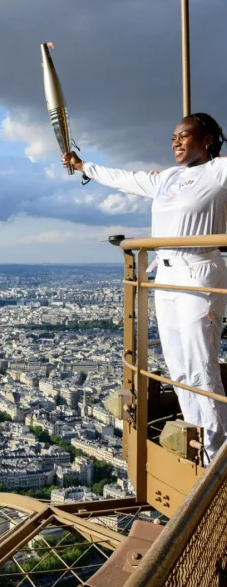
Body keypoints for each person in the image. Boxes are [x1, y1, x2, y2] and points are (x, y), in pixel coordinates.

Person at [62, 112, 227, 461]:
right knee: (179, 366)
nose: (176, 142)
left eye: (184, 136)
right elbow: (126, 179)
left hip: (198, 270)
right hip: (165, 276)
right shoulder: (167, 178)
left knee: (201, 365)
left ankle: (217, 453)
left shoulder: (218, 171)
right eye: (173, 137)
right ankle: (200, 441)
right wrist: (83, 166)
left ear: (207, 140)